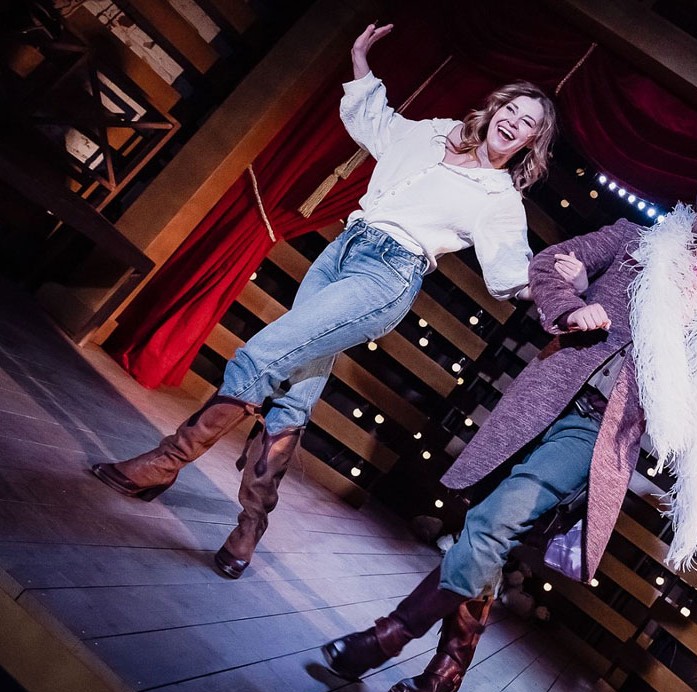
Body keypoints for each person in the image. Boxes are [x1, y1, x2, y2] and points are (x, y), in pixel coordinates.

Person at [321, 178, 697, 692]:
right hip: (540, 400)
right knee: (489, 530)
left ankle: (385, 638)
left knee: (493, 521)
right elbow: (548, 264)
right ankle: (446, 674)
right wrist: (571, 308)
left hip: (596, 430)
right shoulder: (634, 241)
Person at [90, 23, 559, 579]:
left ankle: (167, 461)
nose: (513, 122)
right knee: (295, 394)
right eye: (511, 109)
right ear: (494, 109)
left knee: (263, 355)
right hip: (341, 252)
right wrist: (360, 59)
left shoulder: (500, 199)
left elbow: (511, 272)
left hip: (387, 277)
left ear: (531, 142)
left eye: (528, 123)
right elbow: (376, 123)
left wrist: (559, 290)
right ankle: (251, 525)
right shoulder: (438, 135)